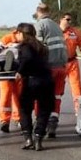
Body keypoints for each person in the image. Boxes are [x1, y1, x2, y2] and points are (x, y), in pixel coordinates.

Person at [13, 22, 54, 151]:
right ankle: (38, 139)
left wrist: (20, 71)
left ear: (21, 33)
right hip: (46, 81)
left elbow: (27, 58)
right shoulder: (42, 46)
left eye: (17, 33)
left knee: (25, 109)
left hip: (31, 81)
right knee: (44, 110)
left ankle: (28, 139)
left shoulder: (25, 46)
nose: (16, 36)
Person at [34, 3, 67, 137]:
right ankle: (53, 121)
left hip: (48, 67)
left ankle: (40, 123)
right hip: (61, 67)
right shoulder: (56, 26)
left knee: (40, 96)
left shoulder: (40, 25)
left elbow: (38, 47)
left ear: (37, 12)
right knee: (57, 96)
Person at [60, 13, 81, 116]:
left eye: (71, 20)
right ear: (61, 19)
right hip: (59, 64)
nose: (70, 22)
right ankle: (52, 111)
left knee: (76, 87)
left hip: (72, 62)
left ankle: (79, 110)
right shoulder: (55, 32)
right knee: (57, 89)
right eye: (67, 20)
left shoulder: (75, 32)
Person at [0, 27, 22, 133]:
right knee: (6, 94)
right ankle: (4, 121)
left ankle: (18, 118)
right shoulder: (6, 38)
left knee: (19, 95)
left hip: (18, 71)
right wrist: (8, 46)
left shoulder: (25, 40)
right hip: (6, 71)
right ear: (18, 33)